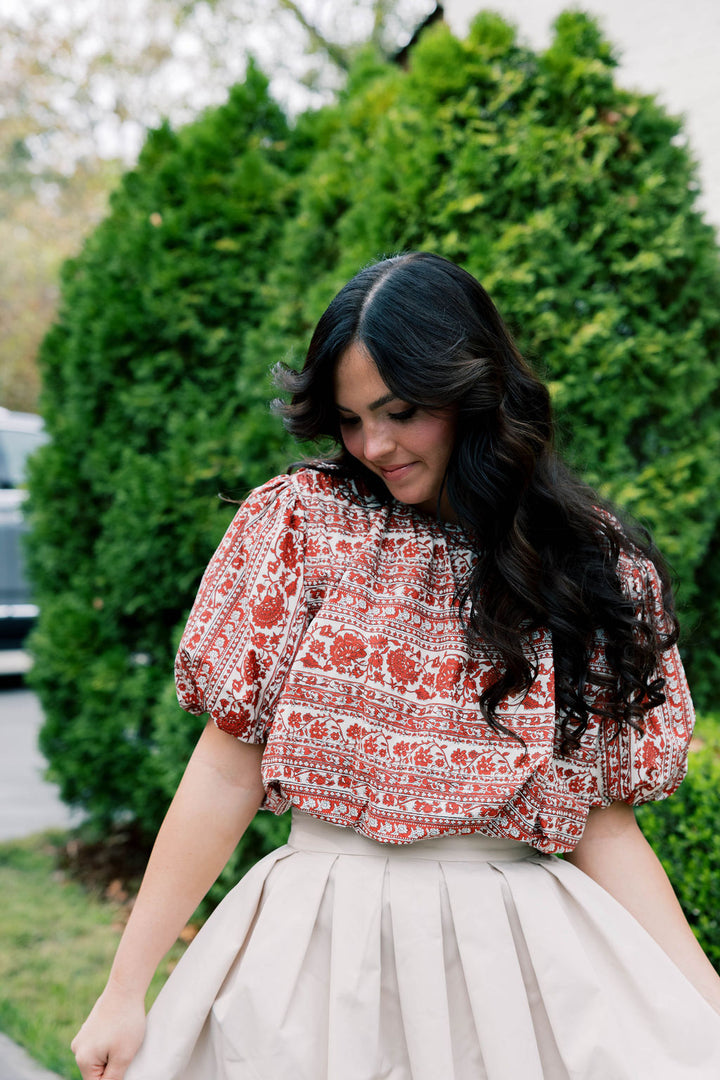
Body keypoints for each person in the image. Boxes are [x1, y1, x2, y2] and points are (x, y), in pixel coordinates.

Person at [72, 252, 720, 1080]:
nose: (374, 445)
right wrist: (125, 990)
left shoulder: (589, 562)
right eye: (349, 419)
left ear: (474, 392)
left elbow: (601, 823)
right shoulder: (305, 526)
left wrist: (708, 1005)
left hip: (510, 968)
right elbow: (226, 771)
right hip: (315, 955)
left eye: (401, 411)